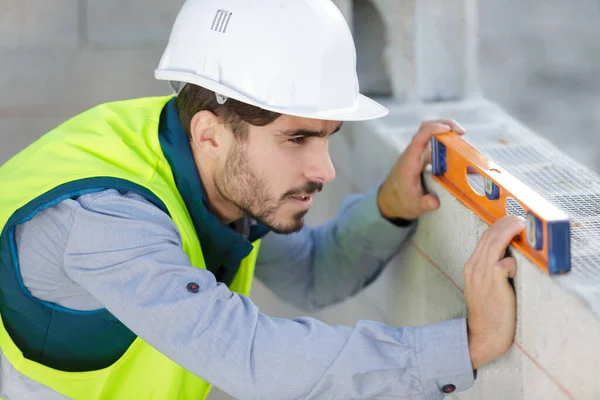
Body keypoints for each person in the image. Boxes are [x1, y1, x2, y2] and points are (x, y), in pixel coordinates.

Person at [0, 0, 525, 399]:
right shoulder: (106, 220)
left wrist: (389, 207)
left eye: (328, 135)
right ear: (211, 134)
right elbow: (251, 356)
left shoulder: (206, 165)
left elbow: (311, 273)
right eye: (297, 139)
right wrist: (468, 346)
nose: (325, 169)